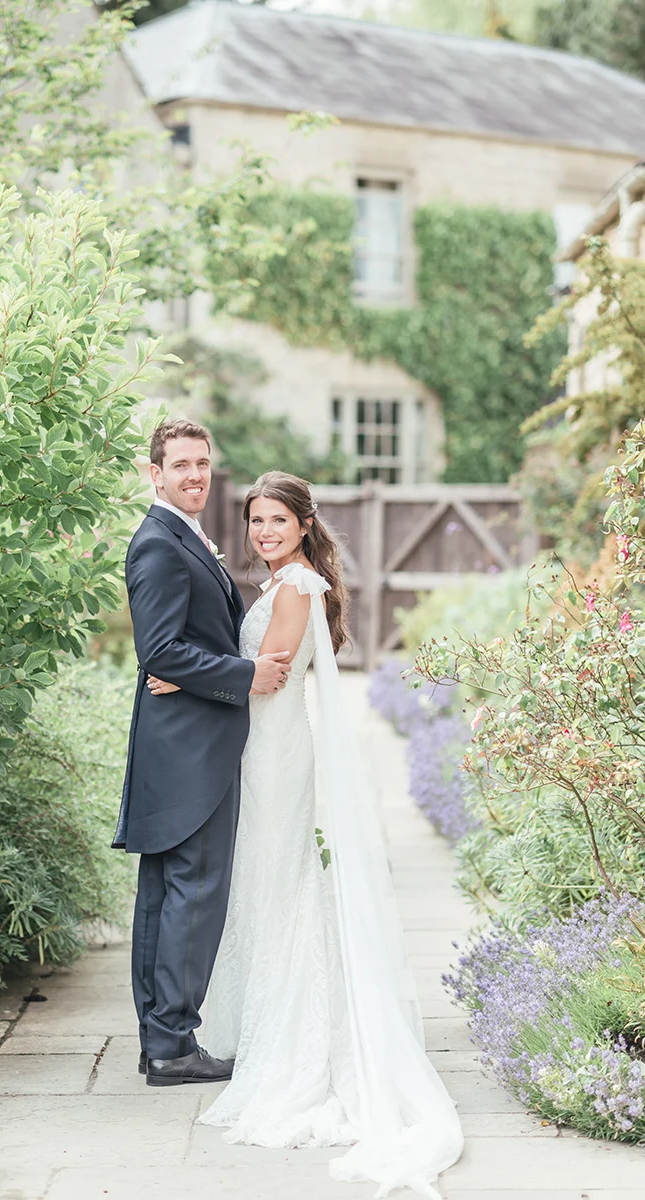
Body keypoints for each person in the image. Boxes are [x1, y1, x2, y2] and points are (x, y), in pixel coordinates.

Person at [146, 470, 464, 1198]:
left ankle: (291, 1043)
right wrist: (194, 676)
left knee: (275, 885)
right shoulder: (281, 582)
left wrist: (183, 681)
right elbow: (245, 669)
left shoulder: (298, 589)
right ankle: (253, 1026)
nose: (263, 532)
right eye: (255, 520)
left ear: (302, 524)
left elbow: (268, 679)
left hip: (273, 755)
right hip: (258, 750)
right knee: (261, 885)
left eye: (276, 522)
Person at [113, 420, 291, 1088]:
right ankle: (173, 1044)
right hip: (190, 751)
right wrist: (244, 677)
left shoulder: (179, 537)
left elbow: (175, 648)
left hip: (182, 743)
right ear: (152, 472)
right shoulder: (159, 545)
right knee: (193, 893)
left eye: (203, 464)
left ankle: (164, 1040)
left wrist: (195, 666)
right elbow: (159, 651)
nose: (194, 475)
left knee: (169, 895)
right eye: (181, 464)